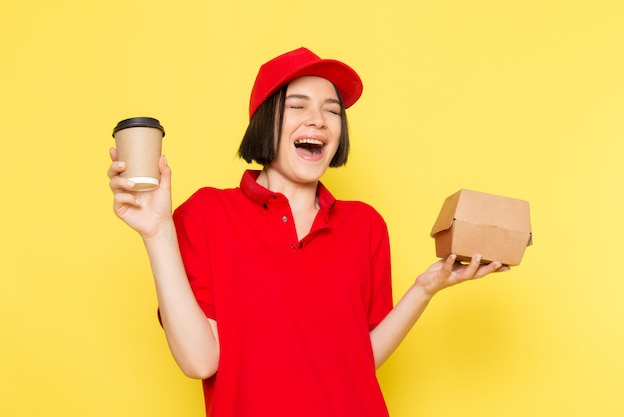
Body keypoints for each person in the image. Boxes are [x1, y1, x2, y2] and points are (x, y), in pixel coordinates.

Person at [108, 47, 508, 417]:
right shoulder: (207, 215)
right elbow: (200, 361)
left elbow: (357, 362)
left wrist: (425, 288)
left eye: (332, 111)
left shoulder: (365, 225)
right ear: (266, 122)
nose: (318, 119)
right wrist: (157, 231)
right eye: (298, 105)